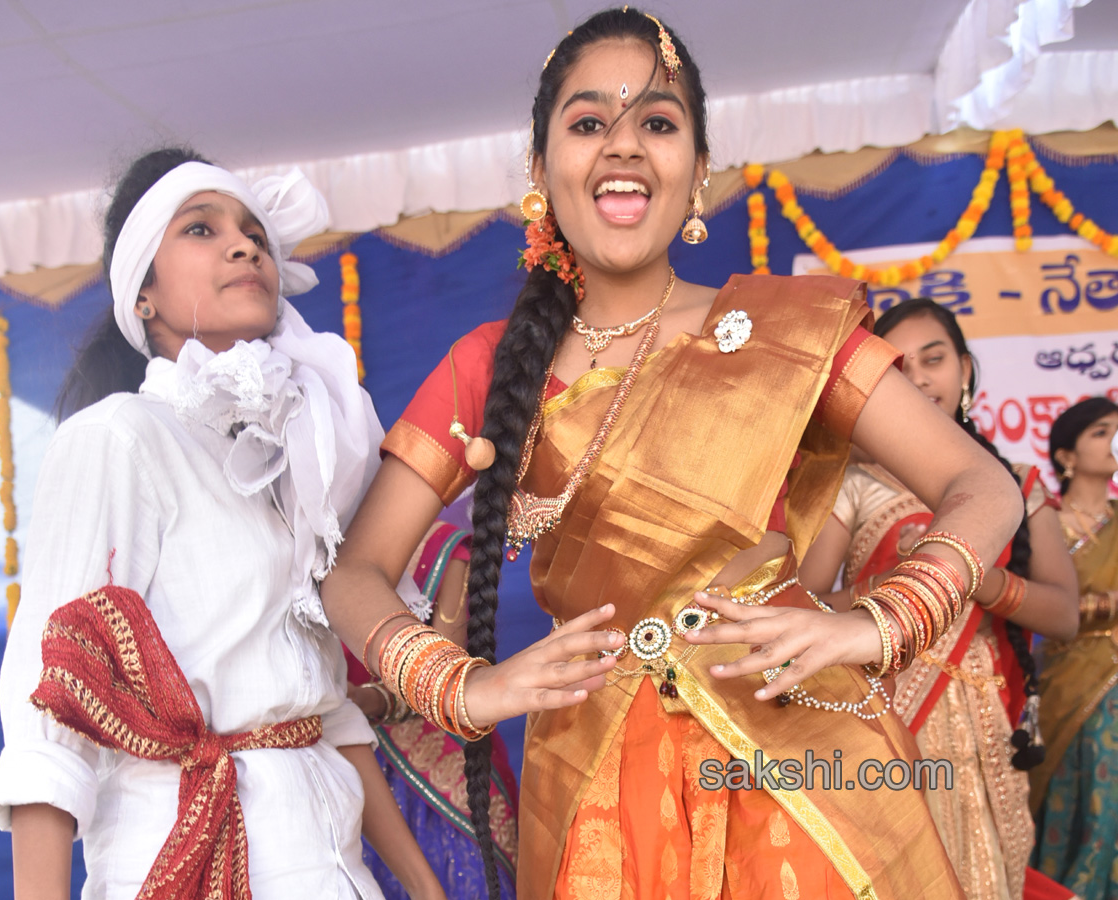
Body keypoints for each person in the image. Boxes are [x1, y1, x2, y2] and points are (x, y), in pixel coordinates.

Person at [319, 9, 1026, 899]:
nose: (623, 148)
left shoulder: (786, 330)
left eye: (657, 123)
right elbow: (354, 576)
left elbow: (982, 485)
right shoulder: (487, 366)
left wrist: (876, 622)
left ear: (696, 171)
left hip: (799, 765)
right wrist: (465, 690)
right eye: (587, 124)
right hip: (600, 786)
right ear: (541, 172)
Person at [0, 149, 445, 900]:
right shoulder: (118, 436)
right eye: (202, 230)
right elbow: (49, 707)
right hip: (189, 864)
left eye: (255, 234)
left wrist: (421, 887)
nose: (244, 245)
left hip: (334, 869)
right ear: (143, 297)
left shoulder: (289, 456)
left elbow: (318, 708)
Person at [799, 298, 1079, 900]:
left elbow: (1064, 616)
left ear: (966, 371)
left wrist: (971, 576)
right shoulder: (853, 486)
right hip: (885, 717)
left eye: (936, 359)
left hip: (987, 722)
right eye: (899, 367)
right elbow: (801, 605)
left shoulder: (1017, 485)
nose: (922, 378)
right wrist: (892, 587)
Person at [343, 519, 520, 900]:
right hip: (340, 767)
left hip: (438, 781)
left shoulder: (445, 551)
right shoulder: (307, 548)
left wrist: (359, 700)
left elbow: (442, 685)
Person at [1031, 396, 1118, 900]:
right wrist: (1108, 605)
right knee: (1089, 806)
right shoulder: (1049, 526)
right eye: (1102, 432)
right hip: (1071, 686)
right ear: (1067, 455)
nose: (1113, 443)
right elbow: (1045, 608)